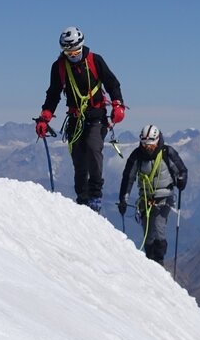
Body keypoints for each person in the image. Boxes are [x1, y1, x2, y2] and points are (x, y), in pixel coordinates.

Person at [34, 26, 125, 210]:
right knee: (79, 159)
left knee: (93, 149)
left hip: (96, 116)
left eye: (75, 51)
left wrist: (118, 104)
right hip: (75, 119)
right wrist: (45, 117)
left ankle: (95, 195)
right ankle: (82, 198)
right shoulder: (59, 67)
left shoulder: (95, 61)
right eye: (68, 52)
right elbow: (53, 94)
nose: (73, 55)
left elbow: (112, 83)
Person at [118, 124, 188, 265]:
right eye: (145, 144)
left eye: (150, 144)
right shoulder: (137, 155)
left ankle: (159, 260)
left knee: (158, 227)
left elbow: (182, 170)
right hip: (146, 199)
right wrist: (123, 199)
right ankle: (151, 261)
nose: (147, 147)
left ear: (157, 141)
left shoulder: (167, 153)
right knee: (148, 233)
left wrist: (181, 181)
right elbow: (128, 177)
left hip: (164, 198)